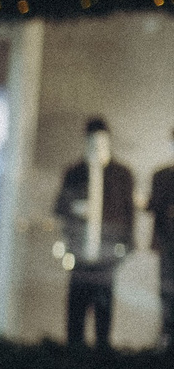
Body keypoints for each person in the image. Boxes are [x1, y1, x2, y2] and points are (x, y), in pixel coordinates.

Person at [55, 116, 134, 349]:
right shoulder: (74, 173)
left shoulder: (122, 175)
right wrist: (76, 208)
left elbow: (129, 216)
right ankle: (75, 359)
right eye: (92, 143)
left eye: (101, 143)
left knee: (103, 319)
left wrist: (124, 249)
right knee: (75, 320)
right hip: (80, 258)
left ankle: (101, 359)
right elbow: (60, 208)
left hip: (106, 260)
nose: (97, 148)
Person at [149, 128, 174, 351]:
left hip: (166, 245)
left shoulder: (162, 176)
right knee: (167, 293)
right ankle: (166, 336)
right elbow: (154, 205)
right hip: (168, 245)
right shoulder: (162, 177)